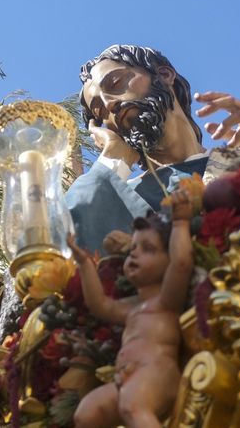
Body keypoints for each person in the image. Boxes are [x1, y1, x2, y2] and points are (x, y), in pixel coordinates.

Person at [67, 44, 240, 252]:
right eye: (99, 112)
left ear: (164, 75)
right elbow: (67, 241)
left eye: (115, 83)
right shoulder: (121, 198)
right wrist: (114, 159)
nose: (108, 104)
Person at [68, 175, 200, 428]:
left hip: (158, 372)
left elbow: (182, 264)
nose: (135, 254)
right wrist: (85, 265)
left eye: (148, 248)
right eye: (133, 249)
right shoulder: (132, 310)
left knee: (133, 406)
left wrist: (181, 222)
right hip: (127, 377)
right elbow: (100, 305)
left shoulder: (166, 302)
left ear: (167, 257)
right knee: (87, 413)